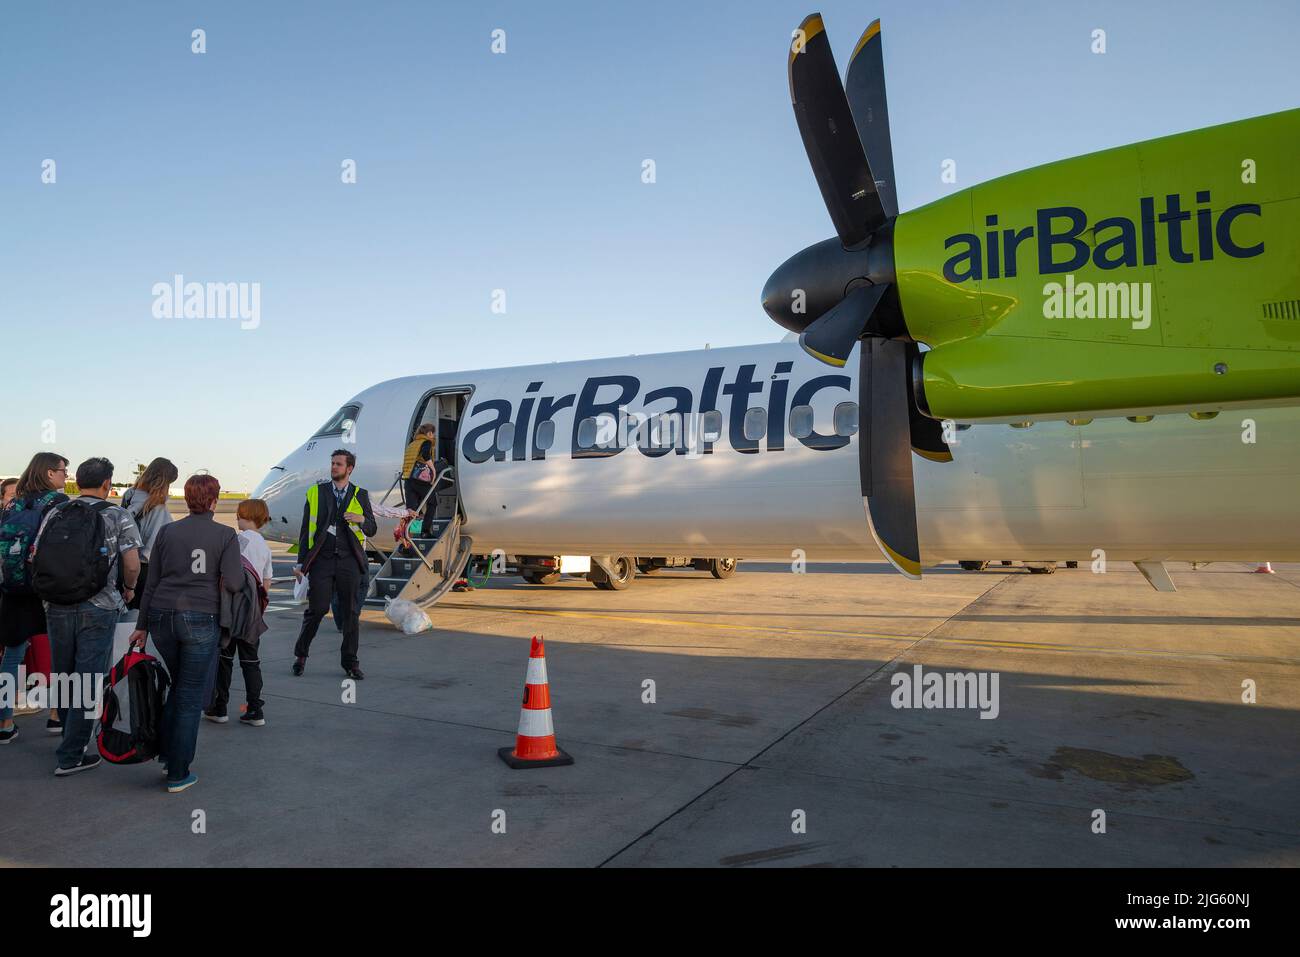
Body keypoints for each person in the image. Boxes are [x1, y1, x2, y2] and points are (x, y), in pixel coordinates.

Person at [130, 474, 242, 793]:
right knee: (191, 695)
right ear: (214, 501)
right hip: (201, 616)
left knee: (180, 686)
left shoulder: (167, 532)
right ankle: (178, 772)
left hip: (161, 615)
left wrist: (141, 626)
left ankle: (168, 753)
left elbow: (151, 582)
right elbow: (235, 582)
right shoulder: (225, 535)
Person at [33, 457, 141, 774]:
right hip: (100, 604)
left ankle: (69, 735)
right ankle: (71, 754)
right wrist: (129, 588)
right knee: (88, 679)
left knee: (64, 674)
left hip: (56, 604)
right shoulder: (118, 515)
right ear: (107, 483)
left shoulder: (56, 512)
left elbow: (36, 555)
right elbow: (132, 563)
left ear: (77, 482)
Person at [0, 454, 70, 744]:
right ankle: (57, 715)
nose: (66, 476)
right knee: (61, 653)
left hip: (15, 587)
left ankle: (4, 722)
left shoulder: (14, 503)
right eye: (63, 471)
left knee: (12, 654)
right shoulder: (58, 503)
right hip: (47, 587)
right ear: (49, 473)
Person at [292, 450, 377, 679]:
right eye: (332, 463)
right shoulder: (316, 492)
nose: (333, 467)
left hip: (350, 561)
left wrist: (361, 519)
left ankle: (350, 662)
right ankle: (301, 655)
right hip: (322, 560)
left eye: (338, 464)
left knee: (351, 613)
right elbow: (305, 531)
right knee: (317, 609)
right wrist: (301, 563)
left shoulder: (360, 494)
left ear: (349, 468)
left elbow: (372, 528)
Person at [206, 498, 272, 726]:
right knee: (251, 661)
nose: (237, 518)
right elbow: (266, 582)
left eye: (239, 515)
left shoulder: (239, 540)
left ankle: (220, 707)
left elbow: (226, 570)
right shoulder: (264, 546)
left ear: (246, 516)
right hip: (252, 612)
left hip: (232, 609)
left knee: (225, 659)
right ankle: (255, 710)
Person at [121, 457, 179, 611]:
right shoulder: (158, 506)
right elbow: (155, 545)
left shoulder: (129, 495)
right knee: (141, 614)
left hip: (124, 560)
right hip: (145, 568)